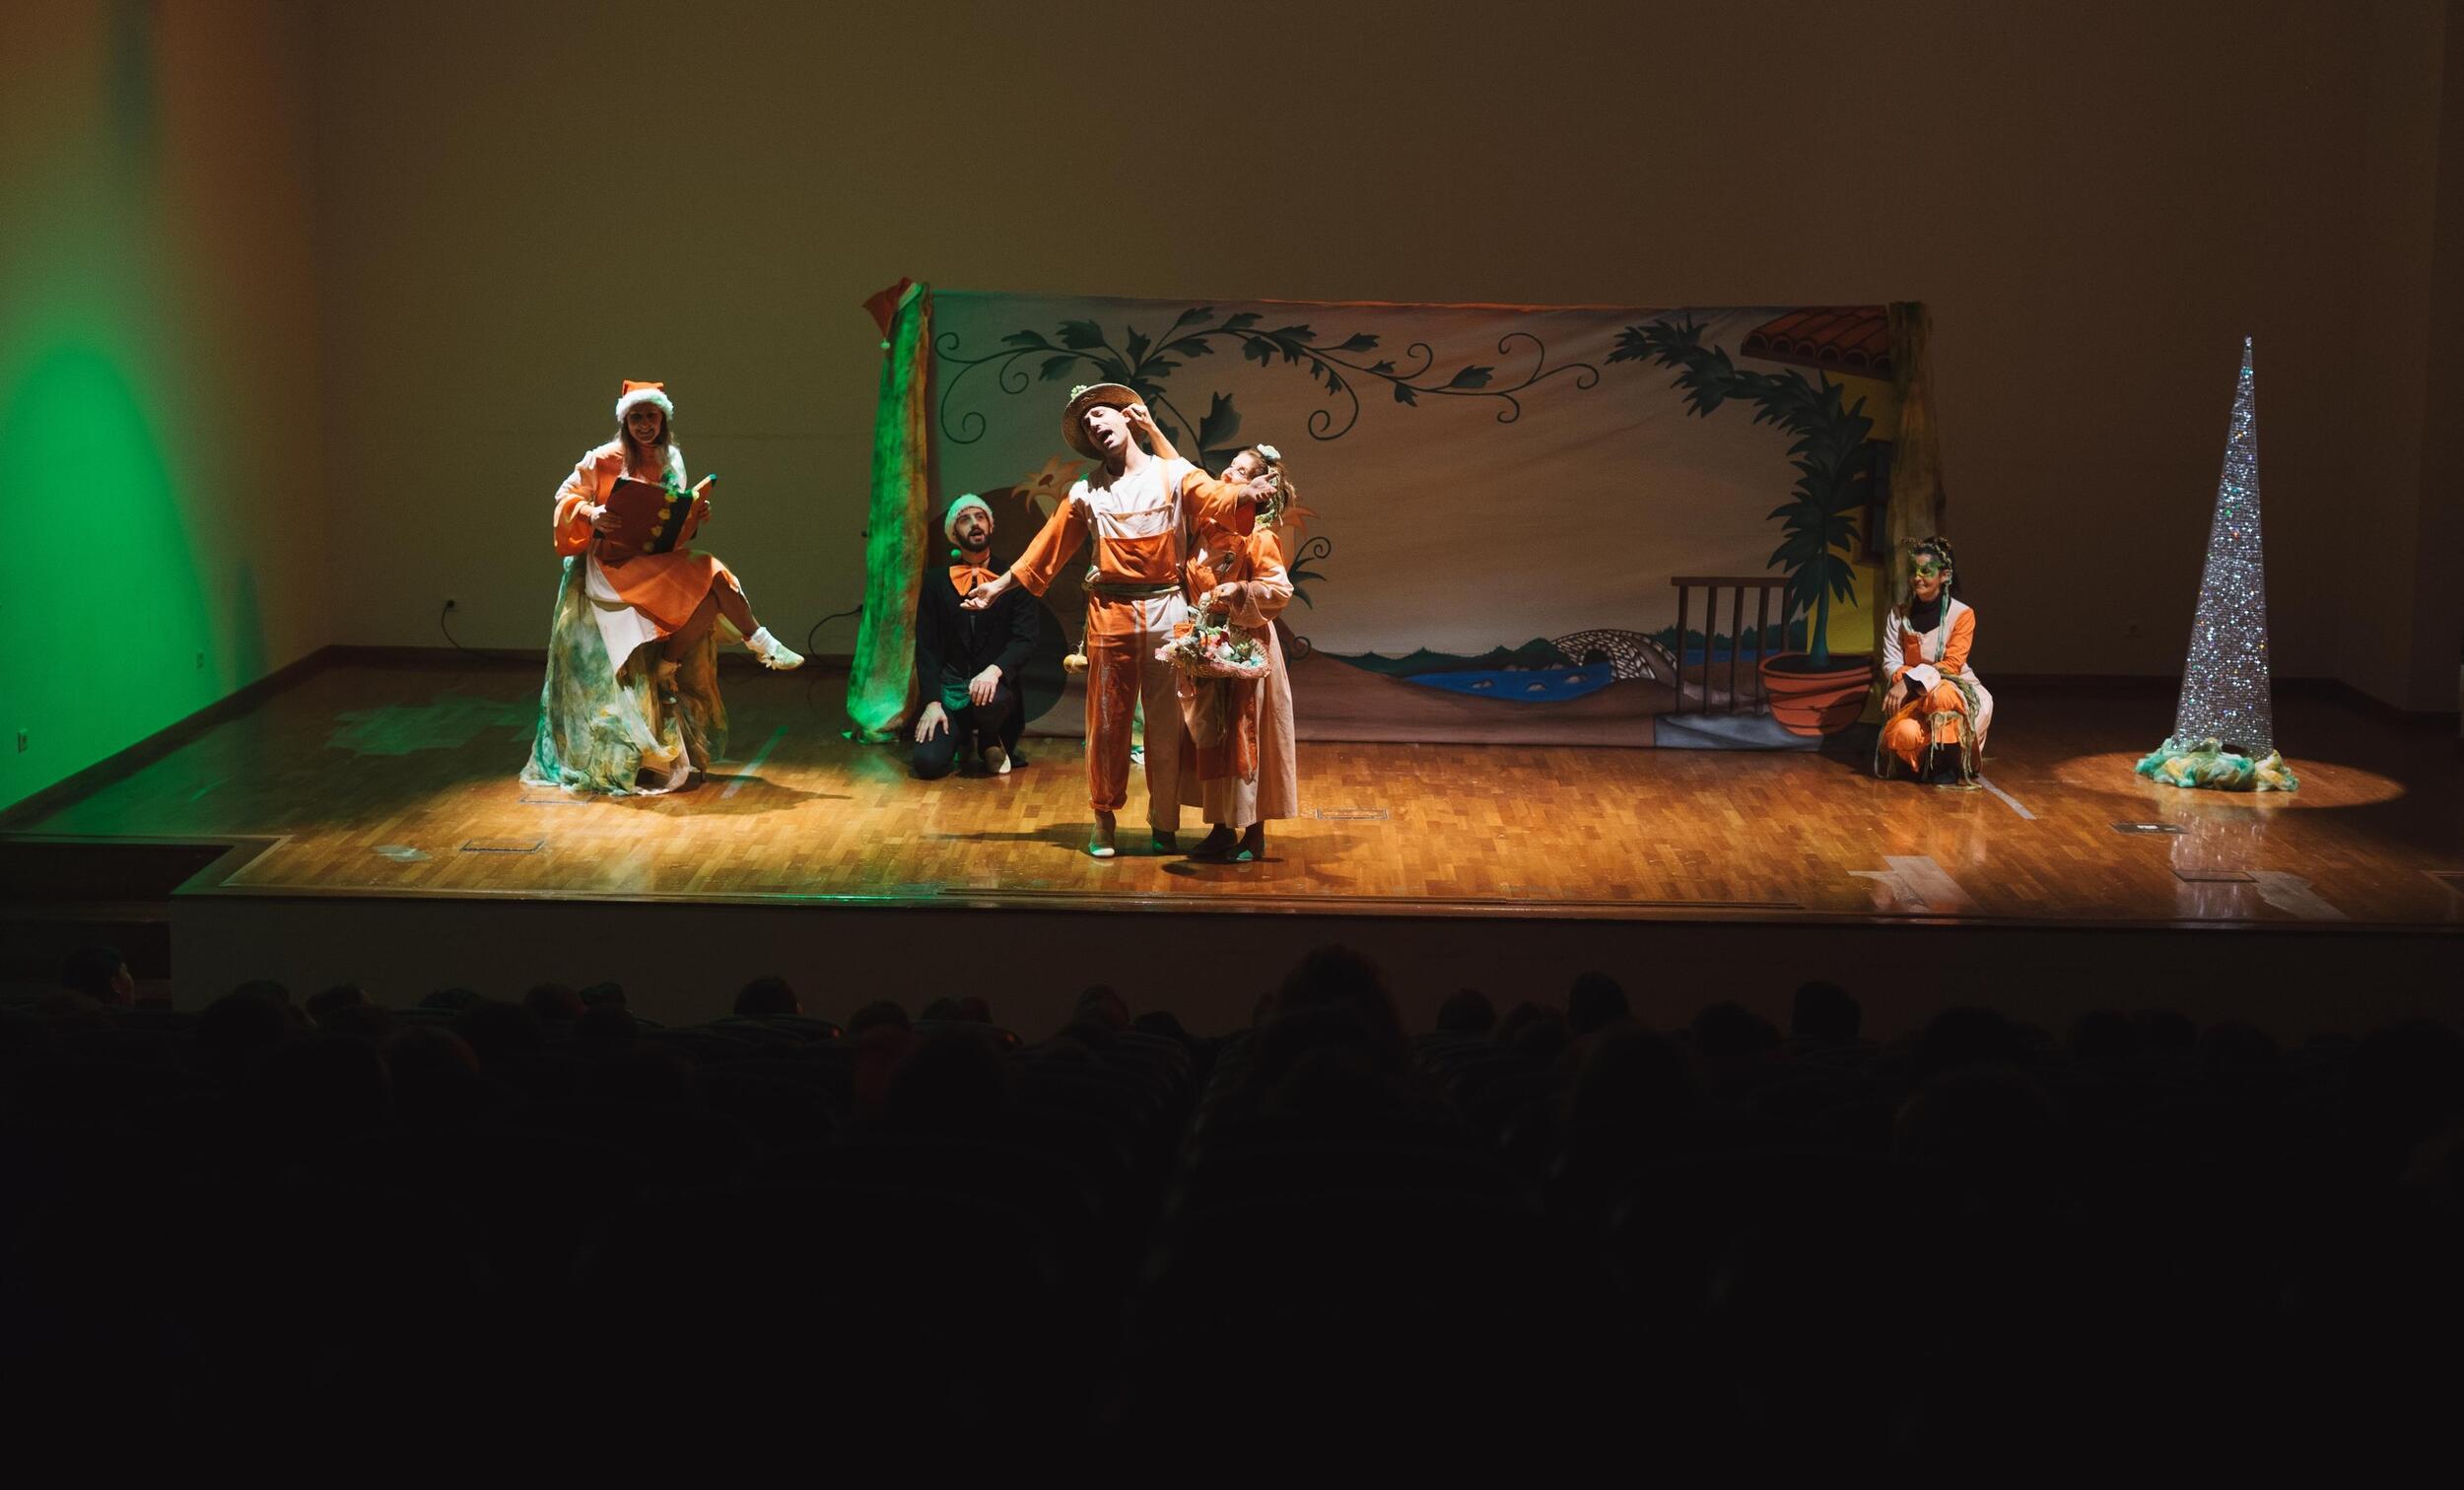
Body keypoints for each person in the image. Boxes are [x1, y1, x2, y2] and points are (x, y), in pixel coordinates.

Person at [963, 384, 1268, 857]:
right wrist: (997, 586)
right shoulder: (1085, 492)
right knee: (1107, 724)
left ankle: (1164, 823)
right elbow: (1046, 549)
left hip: (1167, 611)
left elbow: (1213, 495)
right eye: (1088, 424)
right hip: (1111, 614)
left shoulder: (1171, 474)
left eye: (1101, 415)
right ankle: (1103, 818)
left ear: (1127, 417)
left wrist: (1246, 491)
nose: (1095, 426)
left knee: (1167, 726)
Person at [524, 379, 803, 795]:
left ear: (663, 419)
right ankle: (759, 640)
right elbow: (565, 497)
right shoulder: (603, 458)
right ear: (625, 422)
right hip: (614, 564)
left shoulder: (671, 458)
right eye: (636, 417)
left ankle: (683, 660)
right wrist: (591, 513)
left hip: (652, 557)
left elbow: (669, 521)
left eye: (651, 417)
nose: (644, 425)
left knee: (713, 583)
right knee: (710, 572)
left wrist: (694, 513)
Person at [1170, 441, 1300, 861]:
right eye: (1230, 466)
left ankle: (1253, 831)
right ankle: (1221, 828)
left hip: (1247, 646)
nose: (1228, 474)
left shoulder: (1258, 537)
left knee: (1244, 733)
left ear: (1258, 488)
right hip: (1207, 643)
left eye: (1241, 472)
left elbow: (1279, 589)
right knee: (1211, 732)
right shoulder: (1204, 529)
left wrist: (1241, 590)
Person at [913, 494, 1039, 778]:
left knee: (992, 700)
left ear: (990, 526)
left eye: (980, 517)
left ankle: (990, 739)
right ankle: (960, 739)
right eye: (965, 519)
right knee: (927, 764)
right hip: (950, 693)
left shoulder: (1013, 578)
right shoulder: (935, 581)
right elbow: (927, 646)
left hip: (994, 696)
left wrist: (994, 671)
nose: (974, 524)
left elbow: (1025, 639)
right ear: (953, 533)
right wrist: (932, 702)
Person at [1875, 535, 1993, 786]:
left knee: (1940, 695)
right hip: (1914, 695)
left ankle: (1947, 761)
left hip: (1954, 689)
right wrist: (1906, 682)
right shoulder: (1899, 615)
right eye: (1913, 571)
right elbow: (1891, 662)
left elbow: (1951, 665)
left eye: (1926, 571)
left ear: (1944, 575)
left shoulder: (1961, 614)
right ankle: (1922, 761)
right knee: (1904, 733)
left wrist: (1909, 680)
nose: (1917, 577)